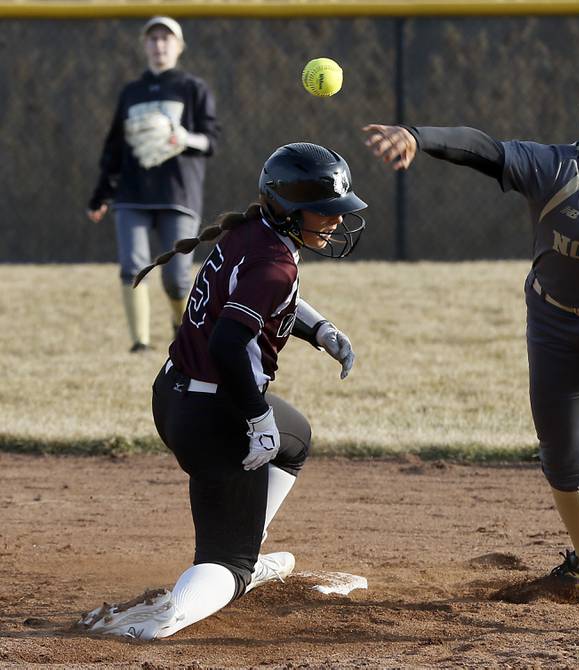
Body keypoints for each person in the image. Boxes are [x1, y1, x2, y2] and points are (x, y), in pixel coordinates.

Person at [363, 61, 579, 629]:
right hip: (551, 320)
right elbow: (486, 149)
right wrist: (417, 137)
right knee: (561, 458)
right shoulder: (556, 167)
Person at [79, 142, 367, 639]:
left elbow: (265, 300)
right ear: (291, 211)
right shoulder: (275, 262)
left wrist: (320, 329)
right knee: (226, 563)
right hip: (216, 415)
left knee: (295, 434)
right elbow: (229, 344)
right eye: (325, 211)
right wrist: (256, 421)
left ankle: (244, 544)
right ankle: (173, 613)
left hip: (175, 395)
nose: (337, 221)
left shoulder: (251, 232)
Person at [87, 16, 220, 353]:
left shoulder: (193, 88)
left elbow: (210, 141)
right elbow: (115, 146)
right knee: (132, 266)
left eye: (166, 38)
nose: (159, 45)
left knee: (176, 278)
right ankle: (140, 344)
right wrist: (103, 192)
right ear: (144, 45)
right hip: (132, 193)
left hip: (178, 193)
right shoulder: (132, 92)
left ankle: (182, 326)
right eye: (153, 39)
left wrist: (182, 136)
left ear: (179, 46)